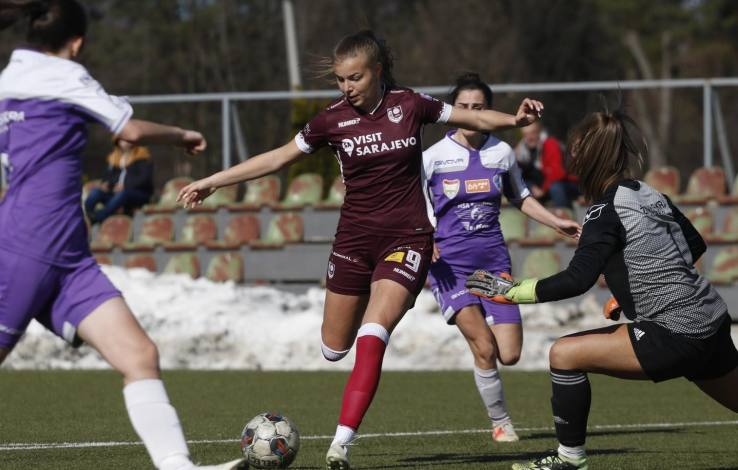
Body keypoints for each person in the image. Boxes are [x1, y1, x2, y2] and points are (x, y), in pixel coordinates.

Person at [178, 29, 543, 470]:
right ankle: (355, 340)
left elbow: (472, 118)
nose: (346, 87)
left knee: (374, 334)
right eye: (340, 79)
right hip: (353, 242)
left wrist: (516, 121)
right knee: (334, 348)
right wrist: (213, 181)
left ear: (377, 71)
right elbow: (277, 158)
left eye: (355, 78)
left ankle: (341, 443)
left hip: (407, 239)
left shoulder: (411, 104)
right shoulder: (330, 119)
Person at [0, 2, 244, 469]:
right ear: (76, 43)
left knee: (139, 355)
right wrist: (181, 134)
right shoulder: (67, 75)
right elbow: (128, 129)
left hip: (68, 260)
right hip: (20, 254)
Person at [467, 103, 737, 470]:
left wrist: (512, 292)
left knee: (564, 354)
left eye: (575, 153)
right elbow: (694, 245)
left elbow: (577, 279)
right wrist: (628, 291)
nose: (571, 160)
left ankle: (570, 459)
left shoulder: (603, 211)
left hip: (676, 331)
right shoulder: (648, 192)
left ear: (590, 158)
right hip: (711, 318)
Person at [423, 72, 581, 443]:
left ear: (489, 111)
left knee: (509, 354)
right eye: (463, 106)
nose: (470, 113)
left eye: (478, 107)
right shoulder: (432, 158)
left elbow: (520, 197)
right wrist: (423, 237)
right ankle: (501, 422)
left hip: (493, 265)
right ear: (452, 110)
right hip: (449, 267)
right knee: (484, 346)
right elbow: (414, 204)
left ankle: (486, 363)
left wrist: (556, 221)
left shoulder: (502, 152)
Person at [85, 136, 153, 224]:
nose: (126, 142)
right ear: (117, 141)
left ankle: (99, 217)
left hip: (137, 193)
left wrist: (126, 186)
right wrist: (106, 184)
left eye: (128, 139)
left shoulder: (142, 154)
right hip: (115, 193)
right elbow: (107, 175)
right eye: (123, 140)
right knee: (95, 192)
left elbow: (144, 178)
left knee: (123, 194)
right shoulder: (113, 157)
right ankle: (88, 216)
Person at [514, 122, 579, 209]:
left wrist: (543, 190)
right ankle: (516, 217)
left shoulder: (551, 143)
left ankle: (563, 215)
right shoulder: (521, 150)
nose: (529, 137)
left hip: (565, 183)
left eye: (533, 133)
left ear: (540, 132)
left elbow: (558, 173)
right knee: (518, 189)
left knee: (555, 187)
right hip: (541, 185)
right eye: (525, 134)